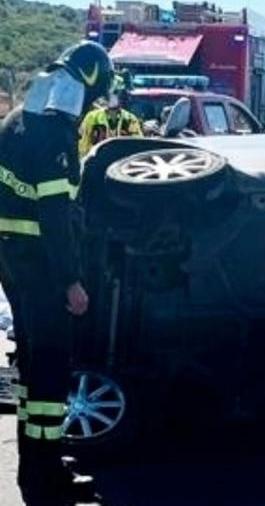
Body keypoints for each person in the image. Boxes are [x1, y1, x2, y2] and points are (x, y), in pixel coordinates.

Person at [0, 40, 113, 504]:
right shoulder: (55, 134)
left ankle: (36, 465)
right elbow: (55, 214)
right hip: (44, 270)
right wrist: (72, 280)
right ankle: (47, 480)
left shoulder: (14, 123)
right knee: (48, 374)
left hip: (13, 264)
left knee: (31, 370)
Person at [77, 74, 142, 157]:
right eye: (113, 93)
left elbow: (137, 146)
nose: (115, 97)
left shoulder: (130, 119)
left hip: (119, 165)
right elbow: (83, 145)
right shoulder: (92, 117)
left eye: (118, 93)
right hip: (97, 163)